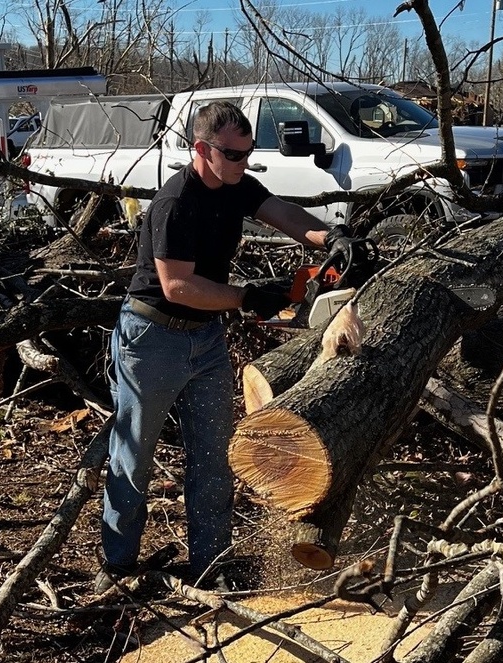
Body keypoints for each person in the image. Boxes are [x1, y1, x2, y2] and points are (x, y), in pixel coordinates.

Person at [96, 100, 358, 591]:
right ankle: (117, 567)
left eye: (248, 153)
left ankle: (209, 567)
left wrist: (331, 238)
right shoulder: (176, 203)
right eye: (234, 155)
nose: (244, 162)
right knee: (134, 455)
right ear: (202, 149)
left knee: (214, 455)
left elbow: (280, 211)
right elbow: (177, 286)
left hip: (206, 338)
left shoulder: (237, 185)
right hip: (152, 339)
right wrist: (246, 296)